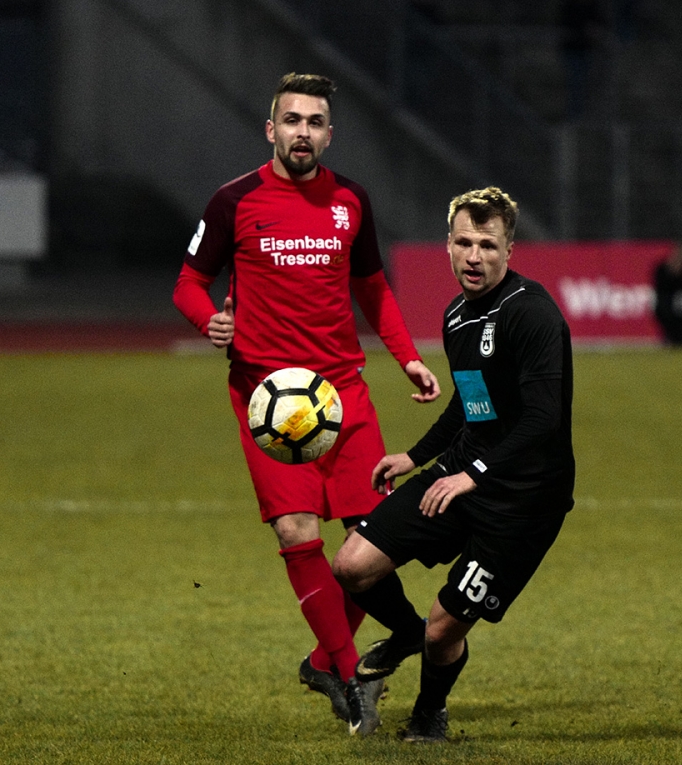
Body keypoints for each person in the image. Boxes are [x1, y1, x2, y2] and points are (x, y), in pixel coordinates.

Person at [172, 72, 441, 736]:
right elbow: (188, 284)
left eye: (314, 122)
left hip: (343, 391)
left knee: (372, 544)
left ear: (328, 135)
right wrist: (211, 321)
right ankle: (351, 677)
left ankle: (323, 662)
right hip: (267, 397)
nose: (302, 132)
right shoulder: (234, 200)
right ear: (271, 129)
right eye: (291, 120)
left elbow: (372, 287)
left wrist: (407, 355)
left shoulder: (351, 200)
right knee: (296, 531)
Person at [332, 186, 576, 743]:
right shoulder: (458, 315)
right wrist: (415, 456)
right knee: (352, 565)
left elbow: (543, 418)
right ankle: (404, 633)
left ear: (509, 250)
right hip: (466, 472)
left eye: (488, 245)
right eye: (464, 242)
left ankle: (428, 715)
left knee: (445, 629)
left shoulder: (531, 312)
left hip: (524, 501)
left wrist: (474, 475)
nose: (474, 256)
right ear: (447, 245)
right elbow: (472, 402)